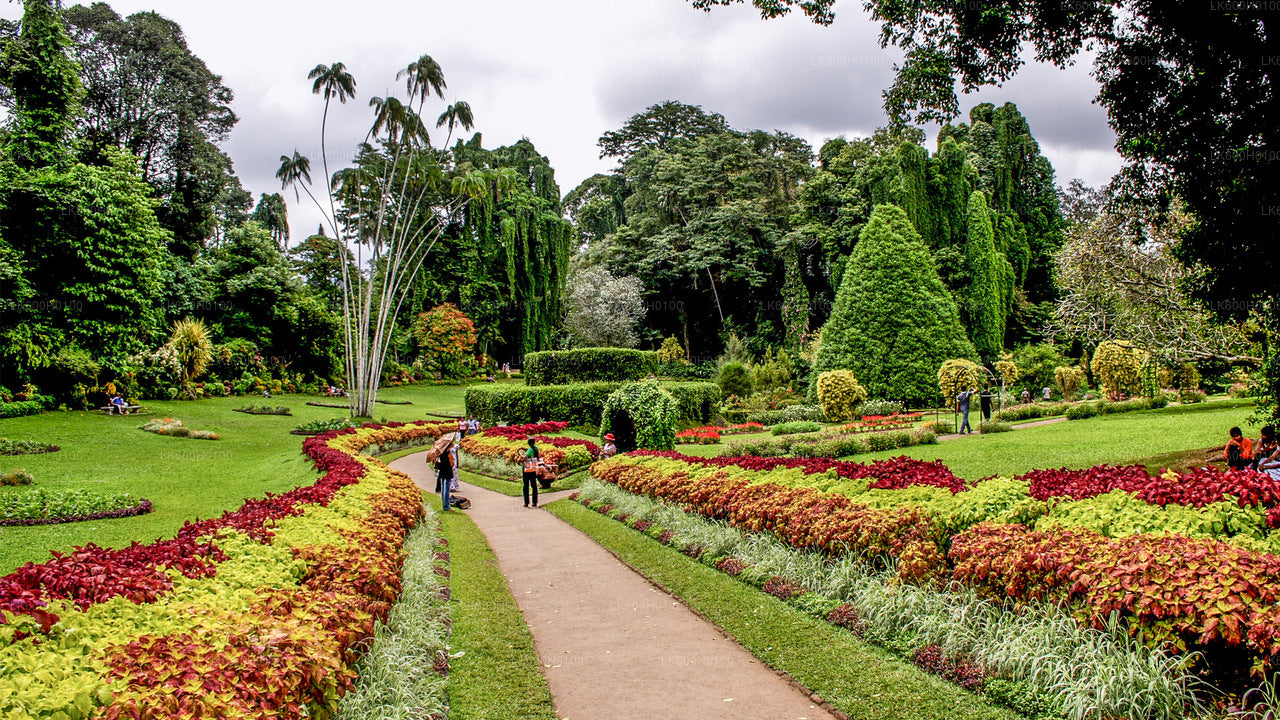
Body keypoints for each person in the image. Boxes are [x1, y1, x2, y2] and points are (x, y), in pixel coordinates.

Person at [435, 436, 457, 511]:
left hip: (442, 470)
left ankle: (444, 504)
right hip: (447, 470)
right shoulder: (448, 453)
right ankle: (446, 506)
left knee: (443, 488)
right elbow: (452, 464)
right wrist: (453, 460)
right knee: (446, 489)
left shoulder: (440, 452)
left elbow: (436, 461)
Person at [522, 437, 540, 508]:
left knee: (526, 486)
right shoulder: (536, 449)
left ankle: (526, 502)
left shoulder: (529, 451)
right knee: (534, 485)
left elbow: (525, 457)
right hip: (533, 469)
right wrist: (523, 448)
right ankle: (534, 502)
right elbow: (530, 450)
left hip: (527, 469)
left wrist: (521, 456)